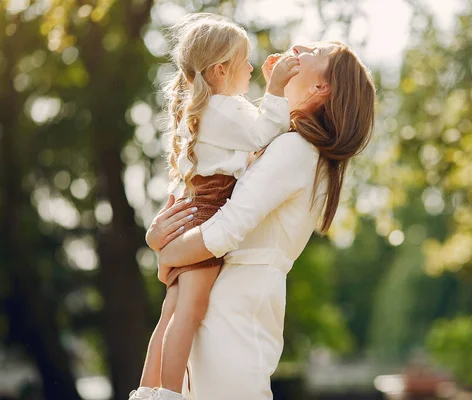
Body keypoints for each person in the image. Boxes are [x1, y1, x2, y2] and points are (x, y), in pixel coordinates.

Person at [148, 40, 376, 399]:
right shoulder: (293, 149)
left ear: (321, 88)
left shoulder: (295, 150)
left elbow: (226, 229)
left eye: (315, 52)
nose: (299, 47)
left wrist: (166, 255)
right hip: (231, 308)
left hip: (233, 314)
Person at [128, 13, 300, 400]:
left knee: (170, 314)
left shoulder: (207, 109)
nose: (253, 69)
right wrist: (276, 88)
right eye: (246, 62)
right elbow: (264, 132)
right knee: (189, 311)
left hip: (194, 207)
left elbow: (249, 140)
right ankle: (169, 393)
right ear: (221, 70)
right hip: (208, 211)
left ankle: (147, 390)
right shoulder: (224, 108)